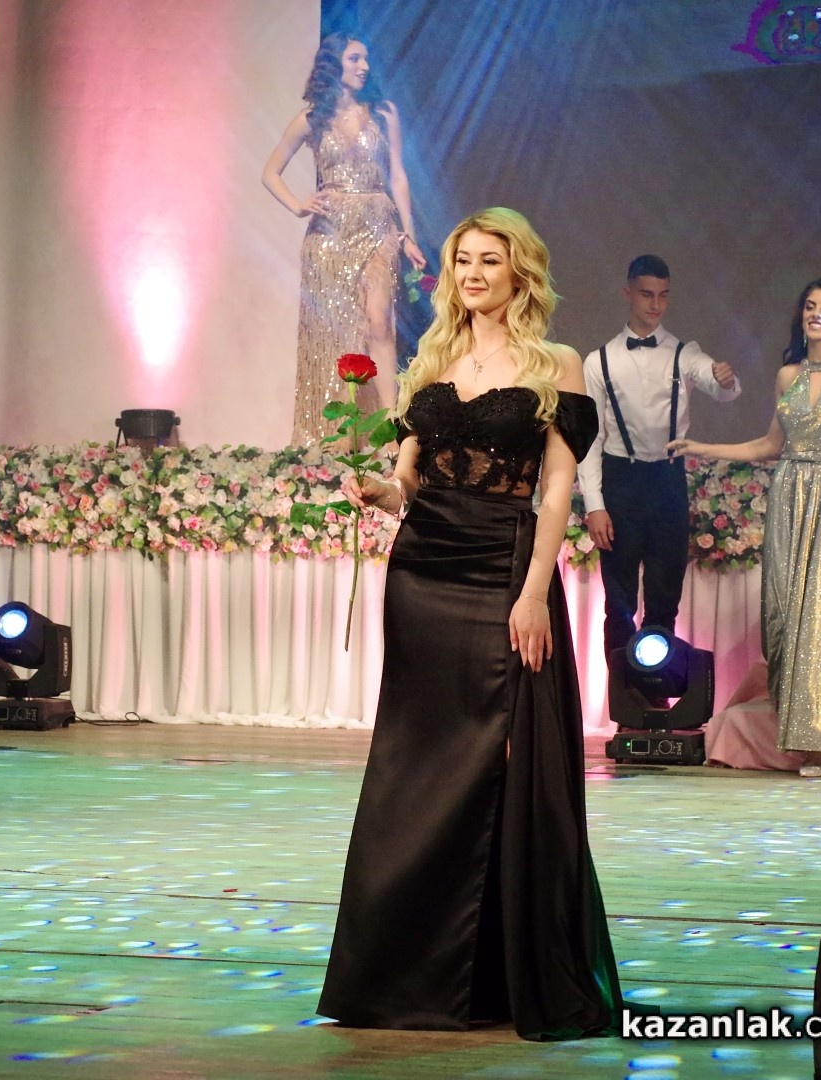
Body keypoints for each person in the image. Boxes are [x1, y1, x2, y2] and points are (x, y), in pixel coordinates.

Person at [318, 208, 621, 1039]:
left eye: (489, 260)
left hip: (505, 565)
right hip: (424, 570)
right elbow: (407, 479)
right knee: (419, 763)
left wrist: (534, 592)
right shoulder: (432, 361)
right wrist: (379, 491)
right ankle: (402, 978)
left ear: (520, 270)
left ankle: (500, 975)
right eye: (462, 261)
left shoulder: (556, 363)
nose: (473, 274)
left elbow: (555, 489)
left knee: (505, 759)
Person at [667, 279, 821, 778]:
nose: (816, 314)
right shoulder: (788, 376)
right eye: (810, 306)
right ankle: (806, 722)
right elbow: (768, 446)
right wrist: (703, 447)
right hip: (789, 498)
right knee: (789, 608)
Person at [262, 32, 428, 447]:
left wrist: (408, 233)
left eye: (366, 59)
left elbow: (398, 176)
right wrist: (298, 205)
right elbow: (270, 172)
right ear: (333, 64)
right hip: (330, 235)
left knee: (379, 321)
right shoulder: (312, 119)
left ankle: (392, 430)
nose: (364, 66)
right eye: (355, 58)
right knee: (336, 333)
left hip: (378, 225)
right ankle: (341, 435)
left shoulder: (384, 113)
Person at [578, 255, 741, 659]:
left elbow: (719, 385)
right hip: (620, 479)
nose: (655, 304)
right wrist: (595, 505)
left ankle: (657, 684)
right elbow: (591, 437)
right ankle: (621, 689)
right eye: (647, 294)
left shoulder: (684, 353)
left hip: (667, 481)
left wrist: (725, 379)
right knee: (618, 602)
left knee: (665, 596)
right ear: (628, 293)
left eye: (663, 295)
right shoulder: (599, 360)